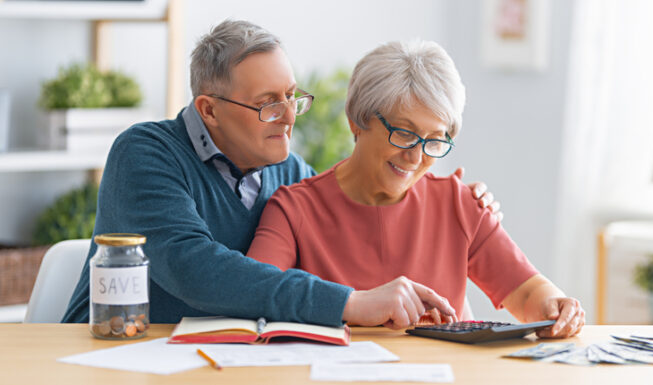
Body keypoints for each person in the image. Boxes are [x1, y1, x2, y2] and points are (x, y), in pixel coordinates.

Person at [62, 20, 497, 329]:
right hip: (113, 354)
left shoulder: (290, 173)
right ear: (209, 110)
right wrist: (350, 302)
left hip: (228, 363)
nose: (289, 116)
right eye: (269, 102)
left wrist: (447, 201)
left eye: (292, 96)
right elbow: (194, 269)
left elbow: (352, 224)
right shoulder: (146, 154)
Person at [247, 40, 585, 337]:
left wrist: (556, 307)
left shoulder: (459, 203)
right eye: (405, 133)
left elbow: (527, 294)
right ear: (357, 120)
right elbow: (255, 295)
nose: (416, 156)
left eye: (435, 140)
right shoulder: (293, 209)